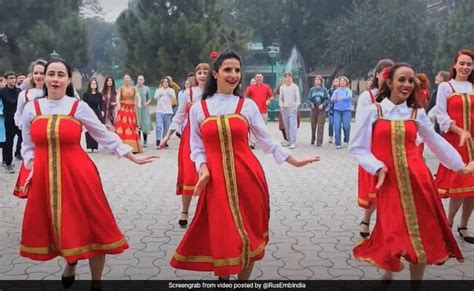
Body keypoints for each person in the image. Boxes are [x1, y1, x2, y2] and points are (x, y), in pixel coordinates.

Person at [170, 51, 319, 279]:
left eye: (237, 70)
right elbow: (196, 147)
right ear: (215, 73)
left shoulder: (246, 105)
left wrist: (294, 161)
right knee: (224, 235)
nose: (233, 75)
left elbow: (267, 141)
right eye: (228, 69)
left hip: (248, 178)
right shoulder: (199, 108)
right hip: (216, 184)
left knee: (249, 234)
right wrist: (203, 169)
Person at [19, 59, 157, 288]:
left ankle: (96, 284)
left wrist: (130, 154)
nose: (55, 79)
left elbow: (102, 133)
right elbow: (27, 145)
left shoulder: (77, 106)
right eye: (50, 74)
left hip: (79, 176)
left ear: (68, 79)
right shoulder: (32, 108)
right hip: (46, 178)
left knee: (94, 227)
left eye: (60, 74)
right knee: (64, 227)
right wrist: (32, 168)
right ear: (43, 77)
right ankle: (71, 261)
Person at [349, 63, 470, 280]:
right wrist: (377, 166)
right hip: (390, 183)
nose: (406, 84)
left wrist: (459, 165)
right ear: (389, 82)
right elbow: (357, 147)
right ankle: (387, 275)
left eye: (410, 80)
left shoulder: (416, 113)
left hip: (419, 180)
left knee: (422, 234)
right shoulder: (373, 111)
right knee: (394, 232)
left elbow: (435, 142)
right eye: (401, 79)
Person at [160, 63, 210, 226]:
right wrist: (167, 136)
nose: (202, 75)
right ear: (195, 76)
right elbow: (179, 116)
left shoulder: (215, 94)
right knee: (190, 173)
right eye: (199, 72)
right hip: (191, 137)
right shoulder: (188, 93)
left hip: (211, 135)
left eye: (205, 72)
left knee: (212, 174)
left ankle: (209, 212)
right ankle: (185, 210)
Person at [435, 49, 474, 243]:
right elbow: (441, 115)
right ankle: (447, 225)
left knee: (472, 188)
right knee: (459, 184)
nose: (465, 67)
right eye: (462, 63)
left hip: (473, 142)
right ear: (455, 65)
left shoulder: (473, 86)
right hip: (456, 142)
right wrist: (459, 131)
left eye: (469, 64)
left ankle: (464, 226)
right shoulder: (446, 87)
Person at [354, 59, 394, 238]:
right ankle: (366, 219)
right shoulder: (367, 96)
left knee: (390, 190)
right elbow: (361, 124)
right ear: (377, 74)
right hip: (372, 149)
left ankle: (386, 225)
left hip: (392, 148)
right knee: (373, 189)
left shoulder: (398, 97)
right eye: (384, 74)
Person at [13, 59, 47, 198]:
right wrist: (22, 125)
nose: (39, 76)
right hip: (31, 136)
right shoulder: (25, 94)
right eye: (36, 73)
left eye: (42, 73)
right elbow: (18, 114)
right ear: (32, 75)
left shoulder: (52, 92)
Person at [115, 74, 143, 153]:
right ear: (123, 80)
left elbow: (138, 96)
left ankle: (133, 147)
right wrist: (118, 105)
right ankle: (120, 147)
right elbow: (118, 97)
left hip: (131, 110)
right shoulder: (121, 88)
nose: (127, 79)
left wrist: (139, 104)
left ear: (130, 80)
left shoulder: (134, 89)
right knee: (122, 126)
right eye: (125, 78)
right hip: (123, 109)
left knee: (131, 126)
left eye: (128, 78)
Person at [0, 71, 21, 173]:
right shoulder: (3, 91)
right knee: (9, 141)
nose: (13, 80)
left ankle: (19, 153)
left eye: (14, 78)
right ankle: (8, 162)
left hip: (18, 118)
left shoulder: (18, 90)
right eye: (11, 78)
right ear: (6, 80)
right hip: (8, 119)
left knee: (22, 137)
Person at [279, 72, 300, 149]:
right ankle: (288, 140)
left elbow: (298, 98)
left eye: (289, 77)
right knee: (286, 125)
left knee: (292, 125)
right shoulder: (282, 87)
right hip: (285, 108)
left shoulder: (295, 87)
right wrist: (281, 106)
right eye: (286, 77)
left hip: (292, 108)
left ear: (291, 78)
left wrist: (296, 106)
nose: (288, 79)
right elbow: (281, 98)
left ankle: (293, 141)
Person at [331, 76, 352, 149]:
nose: (342, 82)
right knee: (337, 126)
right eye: (341, 81)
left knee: (346, 126)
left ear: (346, 82)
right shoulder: (336, 91)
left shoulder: (348, 90)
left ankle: (347, 138)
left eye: (344, 81)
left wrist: (342, 98)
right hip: (337, 111)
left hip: (346, 111)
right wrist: (333, 99)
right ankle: (338, 143)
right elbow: (332, 99)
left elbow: (349, 97)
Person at [154, 77, 176, 147]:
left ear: (168, 83)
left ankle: (164, 141)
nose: (165, 83)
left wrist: (169, 93)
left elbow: (173, 97)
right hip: (159, 110)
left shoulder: (171, 90)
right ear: (162, 83)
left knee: (166, 128)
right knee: (159, 126)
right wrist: (160, 95)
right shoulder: (158, 90)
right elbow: (155, 97)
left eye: (167, 82)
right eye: (164, 81)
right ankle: (158, 139)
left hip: (168, 111)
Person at [308, 75, 330, 146]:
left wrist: (323, 105)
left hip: (321, 110)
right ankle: (313, 139)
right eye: (316, 80)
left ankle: (319, 141)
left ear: (321, 81)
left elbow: (327, 99)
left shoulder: (324, 90)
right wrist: (311, 104)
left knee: (320, 125)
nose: (317, 81)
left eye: (318, 80)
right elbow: (309, 99)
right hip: (314, 109)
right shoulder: (312, 89)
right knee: (313, 125)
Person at [83, 78, 103, 152]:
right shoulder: (86, 94)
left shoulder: (99, 94)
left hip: (96, 112)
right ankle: (89, 146)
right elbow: (84, 105)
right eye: (92, 83)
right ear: (90, 85)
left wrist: (101, 111)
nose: (93, 85)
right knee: (88, 129)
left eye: (95, 83)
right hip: (88, 112)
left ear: (97, 85)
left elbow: (101, 104)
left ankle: (95, 146)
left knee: (95, 129)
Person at [135, 75, 152, 147]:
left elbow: (149, 98)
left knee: (145, 124)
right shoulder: (134, 88)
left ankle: (145, 141)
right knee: (138, 124)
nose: (140, 81)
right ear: (137, 80)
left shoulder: (146, 88)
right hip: (136, 109)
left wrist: (147, 103)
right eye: (139, 79)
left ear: (143, 81)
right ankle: (138, 141)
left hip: (144, 109)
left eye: (142, 79)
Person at [327, 78, 340, 144]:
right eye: (335, 81)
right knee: (331, 123)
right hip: (331, 110)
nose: (336, 82)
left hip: (339, 109)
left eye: (337, 81)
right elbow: (327, 98)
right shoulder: (330, 91)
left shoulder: (341, 90)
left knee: (337, 124)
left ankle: (337, 137)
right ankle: (330, 136)